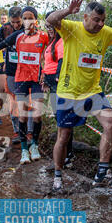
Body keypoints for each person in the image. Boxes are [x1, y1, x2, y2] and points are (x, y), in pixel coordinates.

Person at [46, 0, 112, 190]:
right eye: (96, 20)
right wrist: (68, 11)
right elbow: (51, 20)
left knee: (111, 124)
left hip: (92, 93)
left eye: (103, 20)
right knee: (64, 135)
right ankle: (58, 174)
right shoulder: (72, 28)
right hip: (69, 92)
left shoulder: (105, 33)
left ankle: (102, 172)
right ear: (85, 17)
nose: (100, 24)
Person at [0, 6, 48, 164]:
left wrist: (47, 74)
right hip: (21, 78)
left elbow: (50, 56)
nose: (28, 21)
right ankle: (24, 150)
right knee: (22, 114)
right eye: (25, 18)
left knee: (36, 115)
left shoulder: (44, 37)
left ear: (36, 19)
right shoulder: (17, 36)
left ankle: (34, 145)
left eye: (31, 18)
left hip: (37, 79)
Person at [42, 14, 74, 167]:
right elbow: (47, 63)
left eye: (51, 27)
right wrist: (45, 79)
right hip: (51, 82)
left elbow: (61, 61)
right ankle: (65, 154)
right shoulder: (51, 42)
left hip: (59, 84)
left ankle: (67, 155)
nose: (49, 30)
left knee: (63, 120)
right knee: (59, 119)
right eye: (47, 27)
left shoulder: (61, 41)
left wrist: (56, 77)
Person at [0, 6, 24, 145]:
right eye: (13, 22)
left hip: (27, 70)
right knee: (13, 100)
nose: (16, 25)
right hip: (10, 68)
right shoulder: (4, 29)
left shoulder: (29, 30)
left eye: (18, 22)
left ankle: (28, 131)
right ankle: (17, 130)